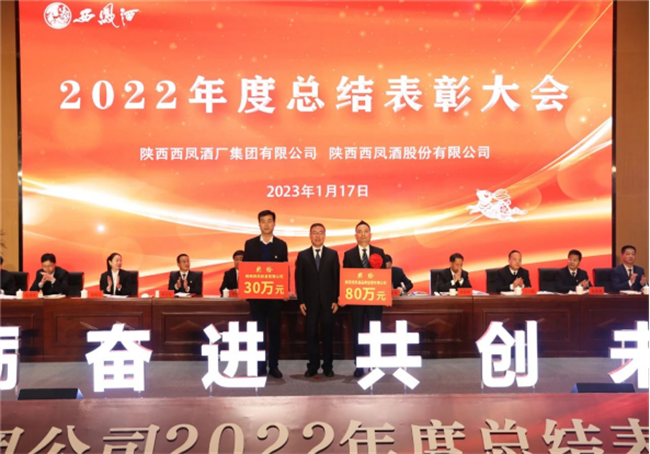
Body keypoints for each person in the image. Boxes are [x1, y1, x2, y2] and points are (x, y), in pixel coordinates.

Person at [243, 210, 288, 378]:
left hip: (275, 297)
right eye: (263, 221)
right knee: (258, 331)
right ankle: (260, 365)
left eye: (270, 221)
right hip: (256, 297)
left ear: (274, 223)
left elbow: (284, 269)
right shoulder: (250, 244)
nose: (267, 224)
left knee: (275, 331)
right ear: (259, 224)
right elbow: (246, 269)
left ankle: (274, 366)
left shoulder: (281, 245)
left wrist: (285, 289)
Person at [342, 220, 387, 378]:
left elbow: (383, 277)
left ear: (370, 235)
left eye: (365, 231)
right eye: (359, 232)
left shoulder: (379, 252)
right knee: (358, 332)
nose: (362, 234)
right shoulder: (349, 255)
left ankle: (375, 363)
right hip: (357, 302)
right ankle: (359, 365)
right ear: (355, 236)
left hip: (374, 301)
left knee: (375, 332)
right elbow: (346, 278)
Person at [295, 223, 340, 378]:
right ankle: (313, 366)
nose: (318, 236)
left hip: (328, 302)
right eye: (315, 232)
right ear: (310, 235)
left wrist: (335, 299)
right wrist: (301, 301)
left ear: (325, 235)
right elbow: (299, 280)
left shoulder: (332, 255)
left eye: (321, 232)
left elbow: (336, 278)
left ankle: (328, 366)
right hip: (309, 303)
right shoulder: (302, 255)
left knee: (328, 334)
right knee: (311, 334)